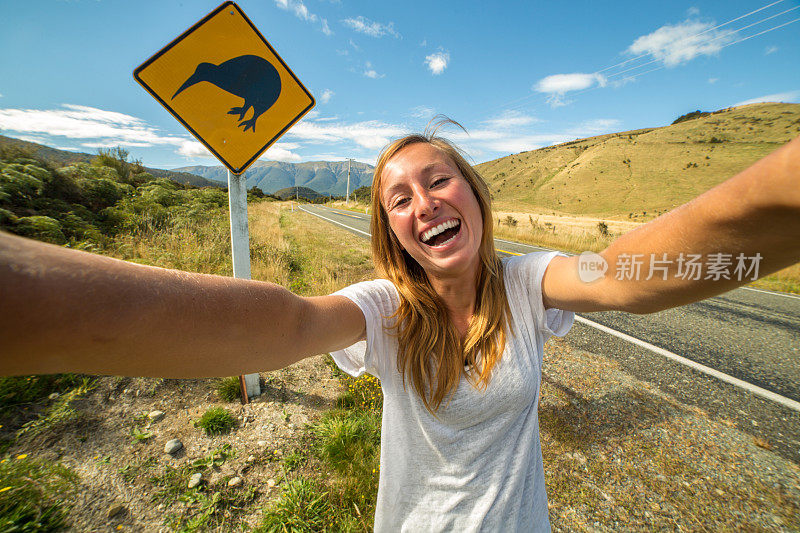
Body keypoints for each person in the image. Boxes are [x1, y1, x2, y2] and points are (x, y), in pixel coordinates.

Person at [1, 120, 799, 532]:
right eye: (399, 198)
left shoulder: (527, 284)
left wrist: (783, 191)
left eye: (439, 179)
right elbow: (286, 323)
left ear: (475, 196)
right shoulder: (385, 309)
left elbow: (625, 274)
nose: (425, 203)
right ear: (391, 231)